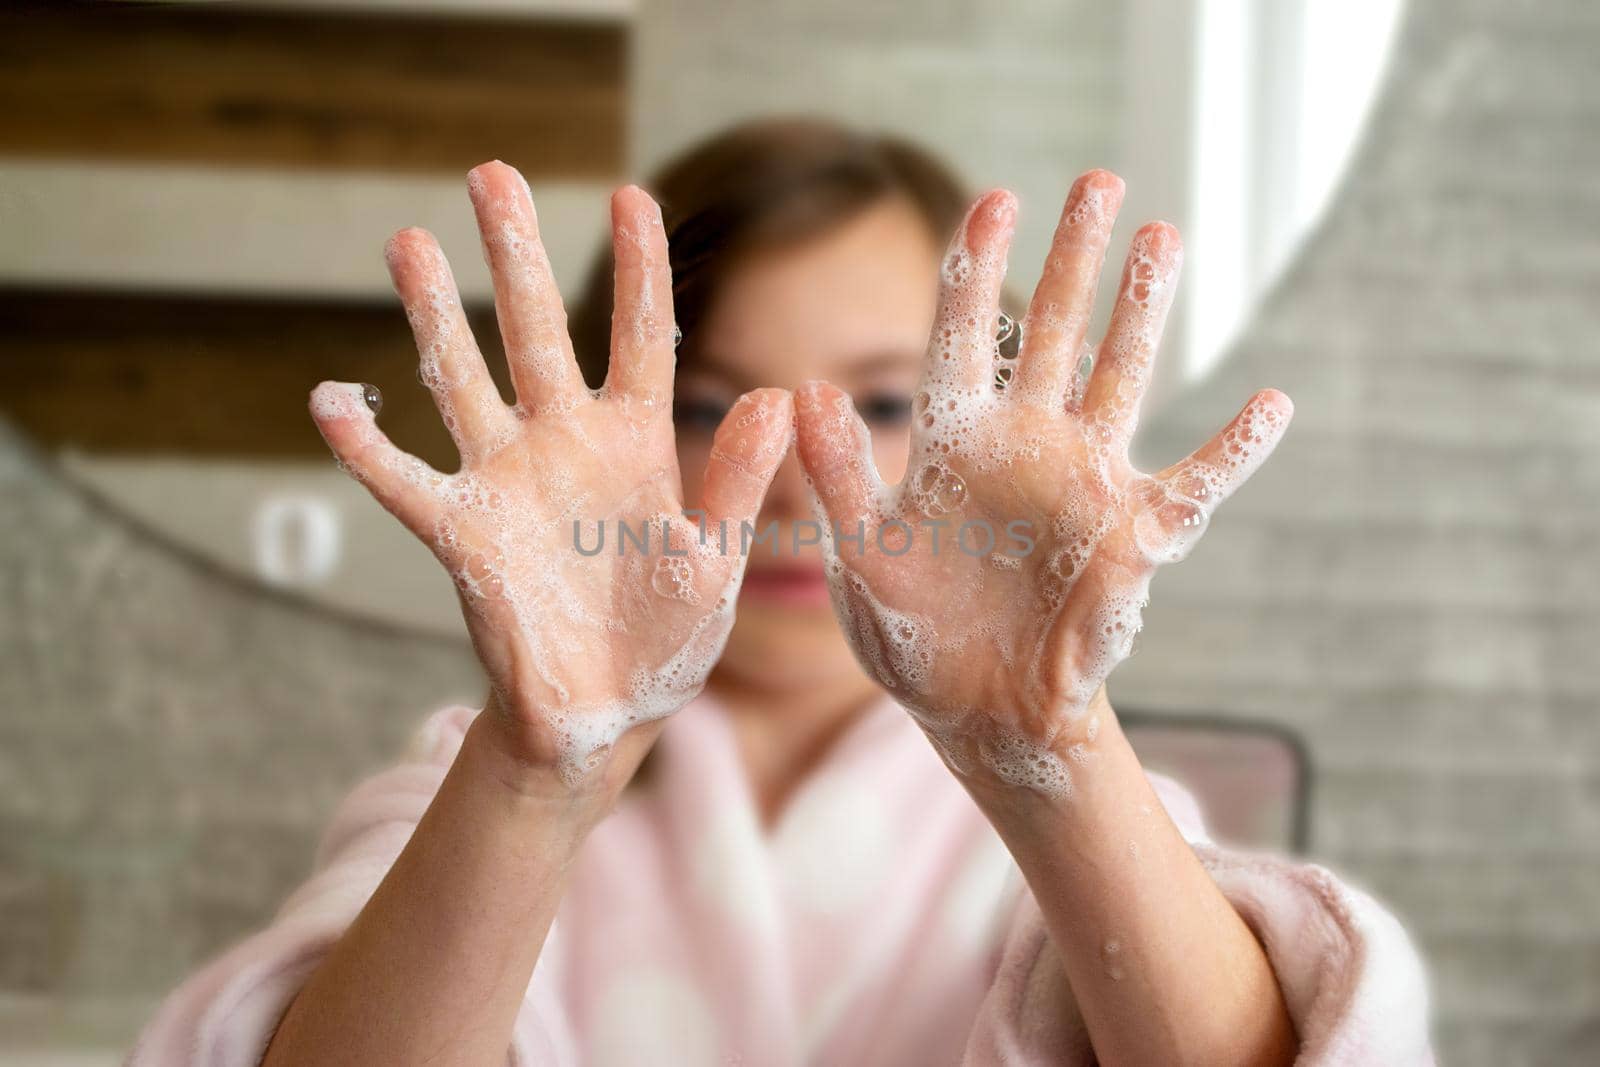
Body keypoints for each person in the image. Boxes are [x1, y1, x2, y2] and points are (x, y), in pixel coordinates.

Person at [130, 120, 1431, 1066]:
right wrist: (535, 778)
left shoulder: (1092, 816)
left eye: (880, 402)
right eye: (713, 406)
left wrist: (1051, 750)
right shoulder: (471, 789)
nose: (807, 482)